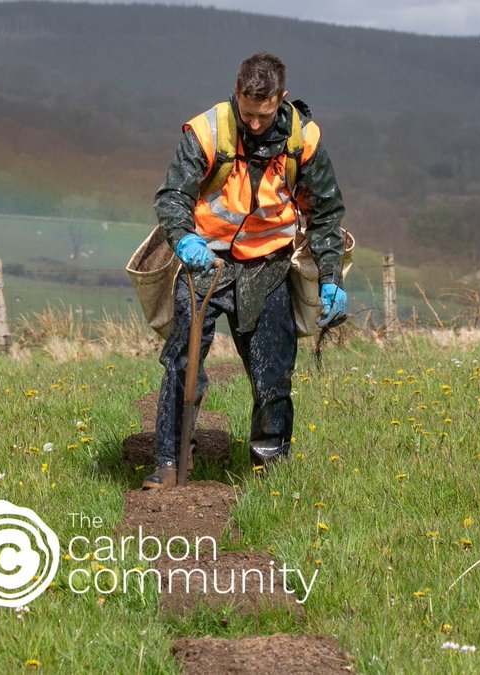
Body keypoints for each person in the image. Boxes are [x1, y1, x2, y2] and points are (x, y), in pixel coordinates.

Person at [143, 52, 348, 489]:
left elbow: (326, 213)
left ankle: (270, 468)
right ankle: (169, 461)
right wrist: (184, 238)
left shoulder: (303, 140)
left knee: (273, 369)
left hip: (268, 264)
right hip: (206, 261)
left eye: (264, 113)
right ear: (236, 92)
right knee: (184, 362)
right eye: (247, 112)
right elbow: (172, 196)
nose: (254, 123)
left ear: (282, 99)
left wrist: (330, 278)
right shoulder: (207, 131)